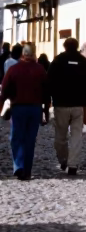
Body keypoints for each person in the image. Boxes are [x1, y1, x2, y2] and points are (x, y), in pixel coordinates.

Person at [48, 36, 86, 176]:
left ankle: (63, 160)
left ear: (65, 46)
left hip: (61, 105)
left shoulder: (58, 60)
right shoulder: (83, 62)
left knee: (60, 137)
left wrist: (50, 100)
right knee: (76, 136)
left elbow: (49, 81)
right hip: (79, 106)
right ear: (76, 47)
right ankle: (73, 164)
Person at [0, 44, 49, 179]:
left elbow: (4, 90)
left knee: (16, 138)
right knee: (30, 139)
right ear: (34, 55)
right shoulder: (40, 70)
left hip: (18, 108)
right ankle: (26, 170)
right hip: (35, 109)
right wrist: (46, 110)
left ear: (23, 54)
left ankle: (19, 166)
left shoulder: (13, 69)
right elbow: (46, 92)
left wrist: (2, 103)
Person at [37, 53, 51, 125]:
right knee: (46, 105)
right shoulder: (49, 64)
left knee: (39, 104)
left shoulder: (37, 66)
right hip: (47, 88)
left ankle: (40, 119)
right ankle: (47, 118)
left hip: (39, 88)